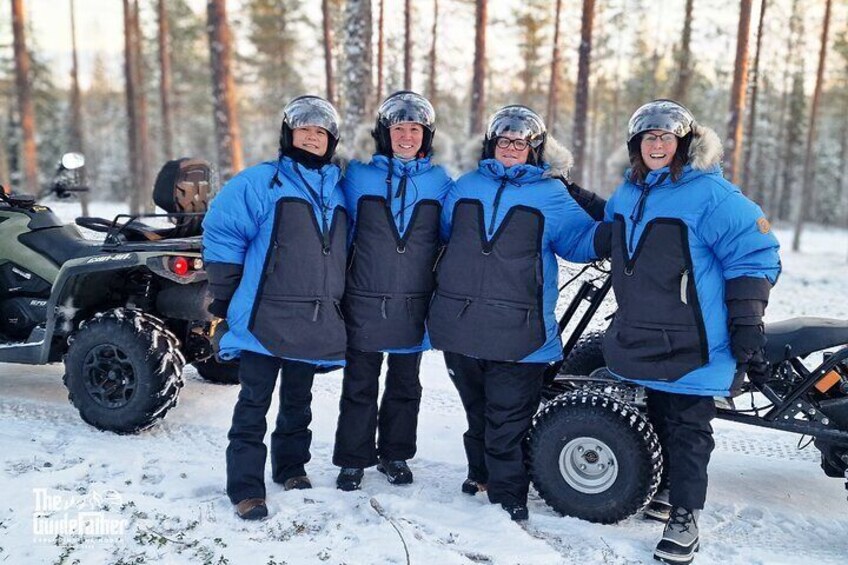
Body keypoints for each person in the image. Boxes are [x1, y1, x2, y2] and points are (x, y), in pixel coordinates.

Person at [601, 99, 780, 564]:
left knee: (688, 430)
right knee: (658, 418)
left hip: (696, 340)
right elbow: (609, 232)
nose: (657, 145)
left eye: (666, 137)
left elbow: (755, 255)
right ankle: (664, 491)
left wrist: (747, 324)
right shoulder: (629, 192)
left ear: (683, 143)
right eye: (648, 137)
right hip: (645, 332)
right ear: (636, 145)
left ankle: (685, 517)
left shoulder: (712, 195)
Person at [428, 105, 608, 521]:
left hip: (521, 333)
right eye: (504, 141)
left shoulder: (550, 194)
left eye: (520, 143)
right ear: (492, 145)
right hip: (462, 327)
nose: (511, 148)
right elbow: (441, 236)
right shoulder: (465, 186)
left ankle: (508, 500)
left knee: (507, 421)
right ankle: (481, 474)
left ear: (535, 149)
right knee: (477, 410)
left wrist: (624, 224)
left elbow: (582, 241)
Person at [202, 95, 348, 521]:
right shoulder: (259, 182)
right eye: (304, 130)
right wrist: (226, 295)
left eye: (320, 132)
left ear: (330, 141)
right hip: (264, 317)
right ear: (289, 134)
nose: (312, 137)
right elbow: (223, 233)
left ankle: (291, 468)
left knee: (298, 402)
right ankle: (247, 488)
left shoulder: (339, 192)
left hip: (313, 318)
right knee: (253, 404)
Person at [333, 91, 453, 491]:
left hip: (414, 302)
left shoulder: (440, 181)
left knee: (405, 386)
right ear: (384, 133)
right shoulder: (357, 175)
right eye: (398, 128)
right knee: (359, 384)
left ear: (426, 134)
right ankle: (353, 460)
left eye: (414, 129)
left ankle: (395, 455)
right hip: (363, 296)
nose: (406, 136)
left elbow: (452, 235)